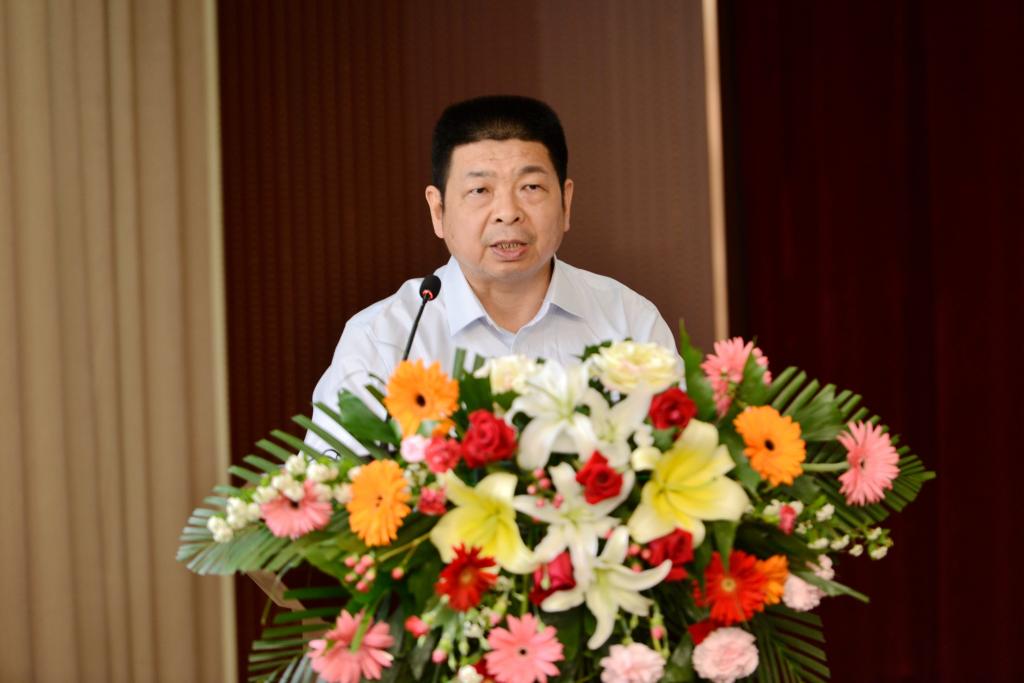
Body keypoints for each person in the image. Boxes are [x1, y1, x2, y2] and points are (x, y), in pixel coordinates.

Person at [305, 95, 676, 454]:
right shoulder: (384, 339)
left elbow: (679, 456)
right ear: (438, 210)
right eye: (479, 190)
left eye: (531, 187)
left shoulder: (629, 322)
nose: (507, 212)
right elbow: (334, 486)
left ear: (566, 202)